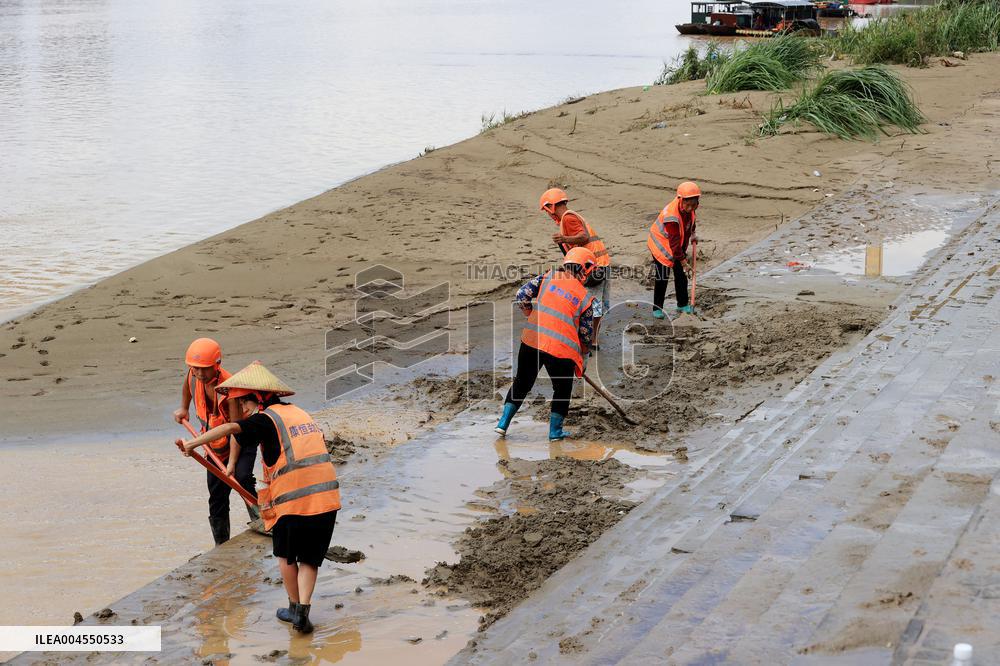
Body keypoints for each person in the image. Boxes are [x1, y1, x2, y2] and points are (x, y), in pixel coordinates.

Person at [178, 361, 341, 634]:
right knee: (310, 560)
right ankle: (303, 613)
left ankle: (292, 607)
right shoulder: (300, 414)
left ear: (258, 399)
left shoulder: (265, 419)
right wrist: (231, 466)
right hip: (327, 498)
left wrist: (192, 444)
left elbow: (231, 429)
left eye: (243, 402)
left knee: (287, 557)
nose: (241, 409)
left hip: (294, 501)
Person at [495, 247, 596, 441]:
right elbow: (585, 335)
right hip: (560, 351)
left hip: (532, 340)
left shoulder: (547, 277)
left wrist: (529, 313)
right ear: (585, 269)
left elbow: (521, 295)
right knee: (562, 388)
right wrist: (583, 358)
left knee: (522, 382)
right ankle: (555, 432)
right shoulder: (585, 298)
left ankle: (503, 424)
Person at [173, 337, 258, 545]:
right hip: (215, 444)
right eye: (196, 368)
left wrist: (230, 464)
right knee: (217, 495)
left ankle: (262, 522)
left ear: (217, 365)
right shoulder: (193, 376)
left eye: (205, 369)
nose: (200, 373)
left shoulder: (230, 387)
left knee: (242, 478)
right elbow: (187, 388)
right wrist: (184, 408)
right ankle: (221, 544)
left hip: (241, 438)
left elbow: (235, 430)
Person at [539, 188, 612, 344]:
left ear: (551, 207)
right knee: (598, 305)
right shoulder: (572, 215)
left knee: (591, 304)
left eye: (547, 210)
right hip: (602, 263)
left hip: (593, 267)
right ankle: (594, 339)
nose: (548, 214)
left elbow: (583, 237)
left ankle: (590, 340)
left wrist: (564, 238)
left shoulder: (568, 218)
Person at [647, 181, 701, 319]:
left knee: (681, 276)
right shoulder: (671, 217)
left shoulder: (691, 209)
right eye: (687, 205)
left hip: (676, 246)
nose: (690, 208)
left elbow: (690, 222)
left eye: (693, 205)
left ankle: (682, 304)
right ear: (681, 200)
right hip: (662, 246)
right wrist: (684, 262)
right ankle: (657, 308)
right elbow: (675, 244)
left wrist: (693, 233)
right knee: (662, 277)